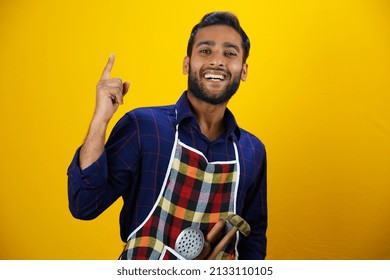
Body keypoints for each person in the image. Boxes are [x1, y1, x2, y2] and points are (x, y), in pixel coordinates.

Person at [67, 11, 267, 260]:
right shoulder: (145, 127)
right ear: (186, 64)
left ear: (244, 70)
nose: (217, 61)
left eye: (230, 53)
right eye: (205, 51)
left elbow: (253, 240)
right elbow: (84, 204)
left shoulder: (252, 151)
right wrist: (100, 120)